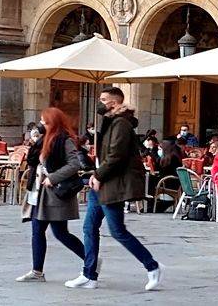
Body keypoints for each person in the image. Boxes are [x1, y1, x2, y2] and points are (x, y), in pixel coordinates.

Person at [68, 87, 160, 291]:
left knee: (117, 230)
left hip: (112, 184)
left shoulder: (121, 124)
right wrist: (96, 173)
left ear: (115, 103)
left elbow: (116, 156)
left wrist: (99, 175)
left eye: (103, 99)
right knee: (89, 227)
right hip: (100, 182)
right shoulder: (111, 122)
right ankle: (89, 274)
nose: (99, 103)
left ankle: (152, 266)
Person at [16, 108, 86, 284]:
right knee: (37, 230)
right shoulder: (44, 139)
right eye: (41, 122)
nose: (42, 125)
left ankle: (90, 260)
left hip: (55, 192)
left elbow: (75, 164)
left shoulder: (65, 140)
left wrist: (53, 178)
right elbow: (33, 159)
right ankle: (37, 271)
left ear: (54, 122)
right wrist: (35, 142)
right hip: (39, 191)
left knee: (60, 233)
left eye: (45, 122)